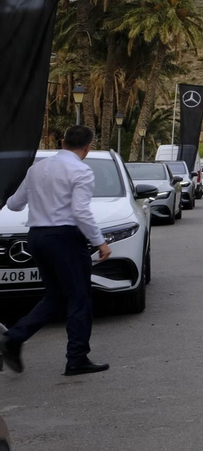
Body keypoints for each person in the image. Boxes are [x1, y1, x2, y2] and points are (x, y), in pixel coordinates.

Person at [0, 126, 111, 376]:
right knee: (79, 298)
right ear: (88, 147)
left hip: (37, 238)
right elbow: (80, 211)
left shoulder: (36, 169)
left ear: (62, 142)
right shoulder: (81, 171)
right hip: (65, 239)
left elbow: (15, 204)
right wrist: (100, 241)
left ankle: (14, 337)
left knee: (55, 297)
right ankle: (77, 358)